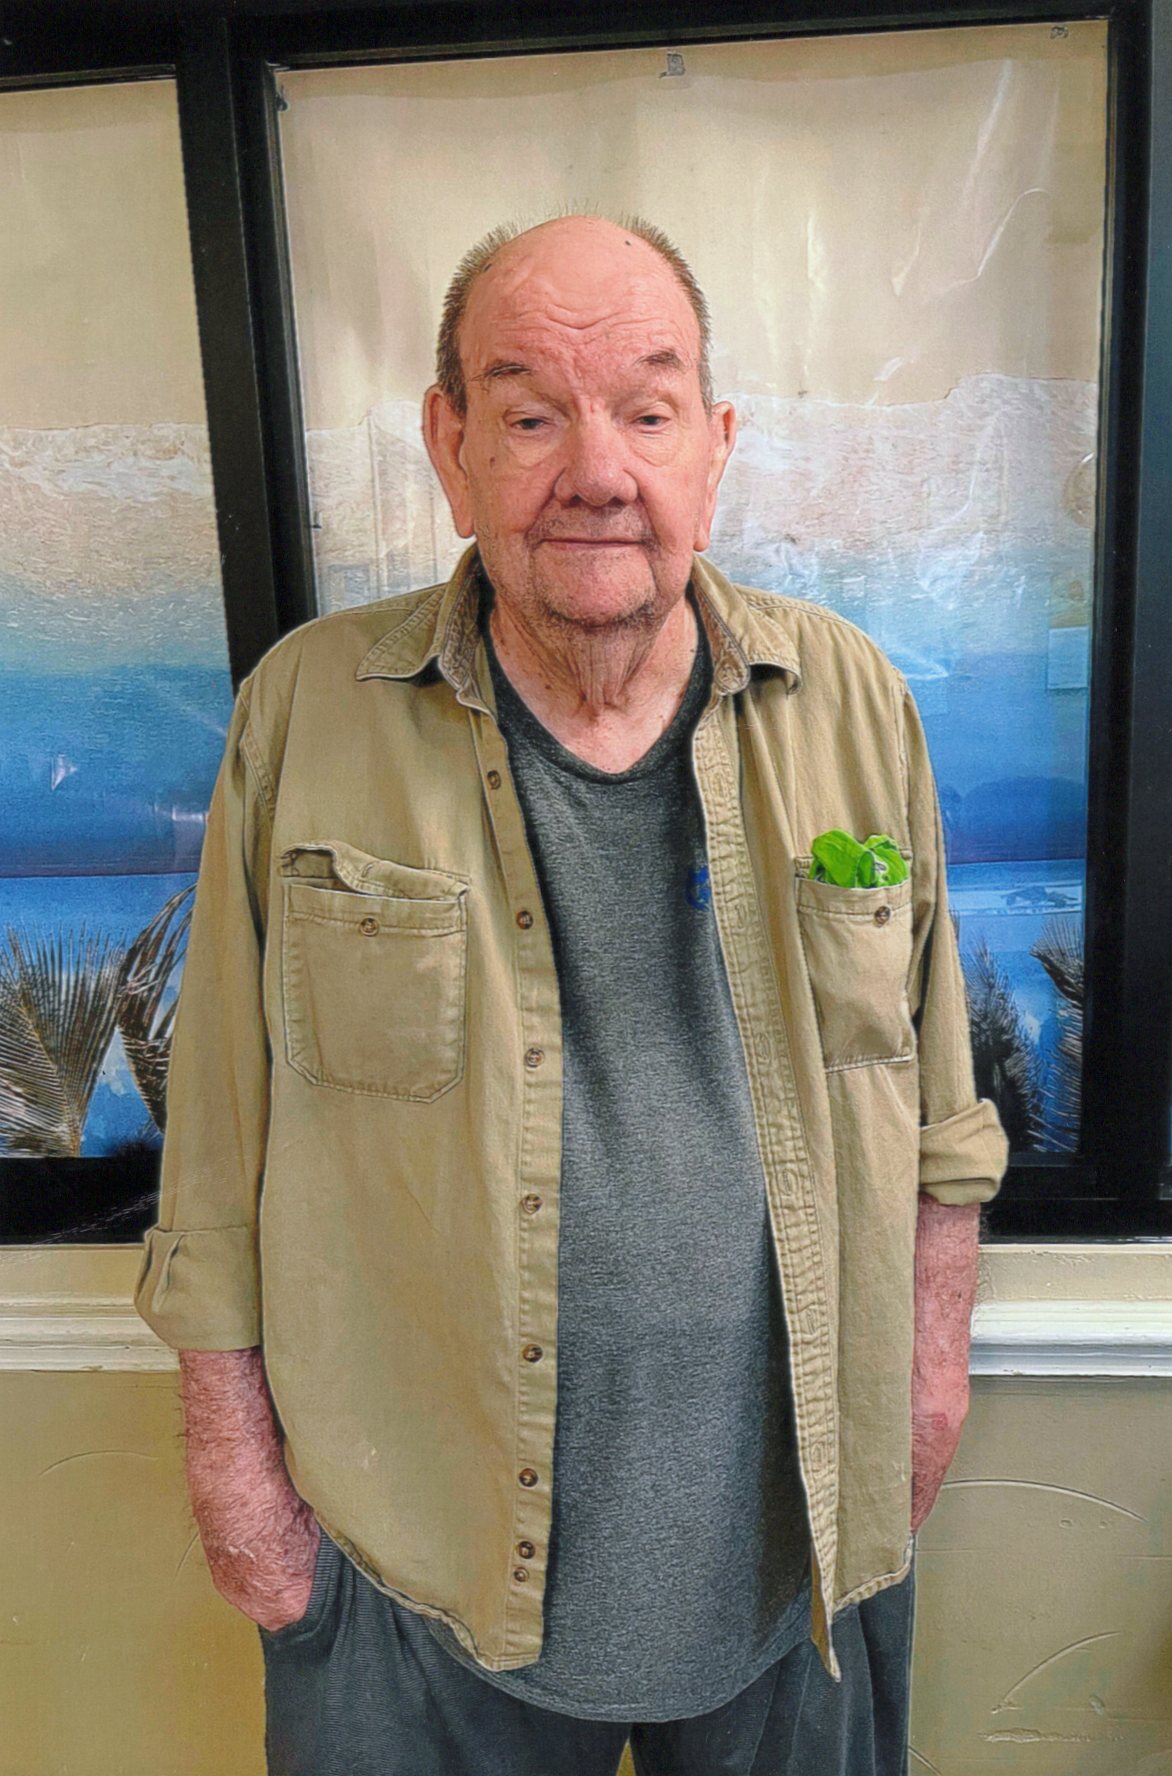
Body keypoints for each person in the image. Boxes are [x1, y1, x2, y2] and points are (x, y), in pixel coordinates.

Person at [134, 213, 1010, 1776]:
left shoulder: (855, 702)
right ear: (449, 445)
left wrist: (931, 1378)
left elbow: (940, 1112)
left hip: (798, 1547)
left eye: (648, 412)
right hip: (406, 1553)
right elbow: (218, 1138)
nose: (598, 472)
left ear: (715, 448)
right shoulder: (306, 714)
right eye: (531, 414)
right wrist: (234, 1466)